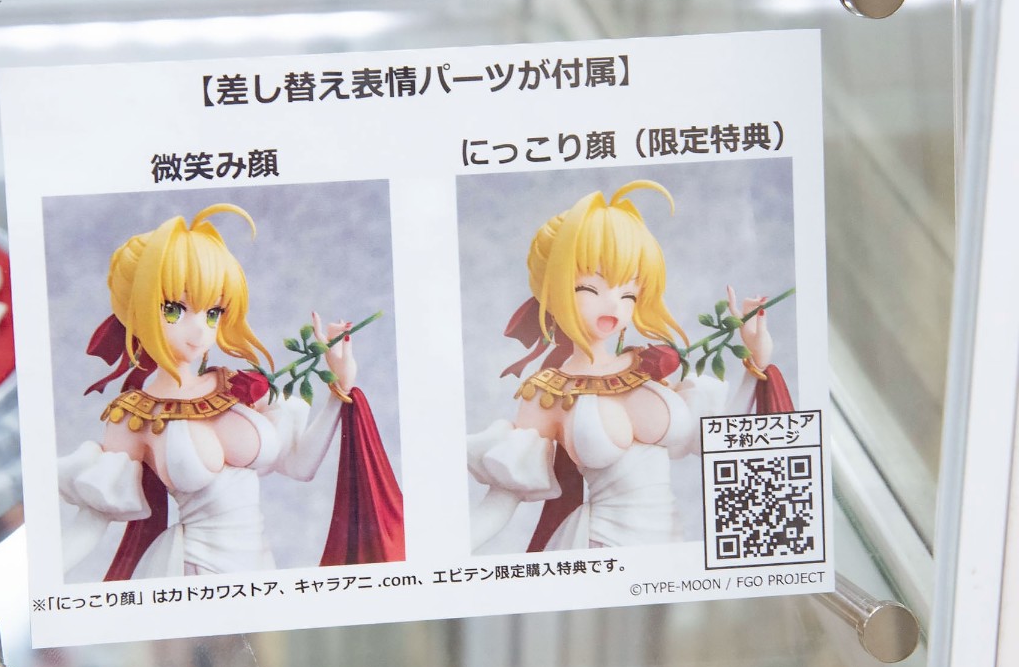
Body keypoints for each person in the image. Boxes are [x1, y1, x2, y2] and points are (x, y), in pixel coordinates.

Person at [58, 203, 402, 580]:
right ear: (135, 310)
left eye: (213, 313)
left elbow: (300, 465)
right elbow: (93, 520)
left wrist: (340, 386)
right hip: (193, 571)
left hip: (260, 566)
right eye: (174, 310)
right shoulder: (134, 415)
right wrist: (43, 580)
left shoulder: (237, 386)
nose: (200, 331)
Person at [467, 181, 791, 553]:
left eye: (628, 293)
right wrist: (440, 561)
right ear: (553, 291)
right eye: (589, 289)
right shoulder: (548, 392)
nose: (614, 305)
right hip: (599, 549)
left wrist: (756, 360)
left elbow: (719, 441)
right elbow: (500, 503)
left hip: (670, 544)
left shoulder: (648, 366)